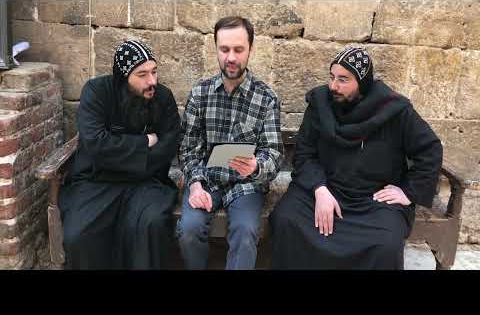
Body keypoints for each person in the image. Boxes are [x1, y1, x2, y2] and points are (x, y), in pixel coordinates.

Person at [269, 46, 443, 270]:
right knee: (286, 220)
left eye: (343, 80)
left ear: (362, 82)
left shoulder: (394, 109)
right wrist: (319, 190)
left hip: (372, 201)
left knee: (385, 244)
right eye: (332, 77)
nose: (333, 86)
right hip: (323, 190)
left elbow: (430, 149)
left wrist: (408, 191)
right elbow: (304, 153)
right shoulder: (320, 104)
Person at [59, 40, 181, 269]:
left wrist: (120, 154)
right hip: (97, 181)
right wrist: (145, 141)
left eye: (154, 72)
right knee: (78, 235)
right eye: (142, 74)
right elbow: (96, 144)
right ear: (124, 77)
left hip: (147, 181)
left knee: (151, 224)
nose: (152, 81)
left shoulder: (163, 97)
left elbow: (168, 144)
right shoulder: (96, 92)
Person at [176, 16, 284, 270]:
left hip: (245, 184)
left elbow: (274, 153)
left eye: (238, 49)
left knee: (246, 232)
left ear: (250, 50)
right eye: (224, 49)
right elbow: (188, 149)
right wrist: (195, 185)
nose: (231, 58)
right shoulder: (200, 93)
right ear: (216, 49)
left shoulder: (266, 97)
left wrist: (257, 167)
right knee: (189, 229)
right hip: (207, 180)